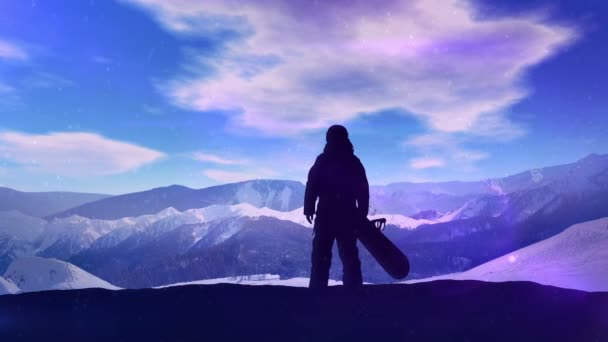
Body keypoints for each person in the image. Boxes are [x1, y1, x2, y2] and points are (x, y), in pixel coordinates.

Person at [304, 125, 369, 288]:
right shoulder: (353, 161)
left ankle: (317, 293)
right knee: (349, 256)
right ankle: (354, 293)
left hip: (326, 213)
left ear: (329, 138)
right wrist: (361, 214)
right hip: (348, 215)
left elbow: (311, 184)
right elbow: (363, 190)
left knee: (321, 256)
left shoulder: (322, 160)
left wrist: (309, 208)